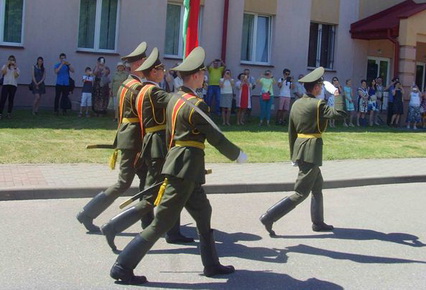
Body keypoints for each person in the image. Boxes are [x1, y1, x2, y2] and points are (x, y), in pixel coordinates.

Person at [110, 46, 248, 285]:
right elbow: (215, 136)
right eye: (202, 74)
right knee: (161, 221)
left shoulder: (175, 99)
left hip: (186, 169)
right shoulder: (195, 104)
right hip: (184, 170)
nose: (204, 77)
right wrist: (237, 155)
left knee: (203, 213)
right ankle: (122, 266)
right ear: (195, 76)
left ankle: (211, 264)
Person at [100, 47, 193, 252]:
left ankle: (167, 229)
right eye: (161, 68)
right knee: (157, 192)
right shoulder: (153, 91)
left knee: (160, 189)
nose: (164, 71)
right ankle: (114, 226)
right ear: (153, 72)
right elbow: (177, 103)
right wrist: (188, 90)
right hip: (157, 146)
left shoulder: (142, 89)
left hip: (151, 144)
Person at [259, 66, 347, 237]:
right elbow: (340, 113)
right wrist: (337, 95)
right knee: (301, 192)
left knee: (317, 187)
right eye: (320, 86)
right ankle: (269, 217)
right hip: (311, 151)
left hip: (300, 148)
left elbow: (291, 132)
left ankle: (318, 222)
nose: (321, 89)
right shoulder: (318, 104)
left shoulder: (296, 103)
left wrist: (293, 154)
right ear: (315, 88)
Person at [76, 42, 149, 233]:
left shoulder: (127, 83)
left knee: (145, 177)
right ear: (137, 64)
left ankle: (148, 221)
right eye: (144, 61)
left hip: (130, 137)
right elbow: (141, 118)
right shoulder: (137, 87)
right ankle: (87, 213)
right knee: (123, 182)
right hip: (134, 140)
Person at [0, 55, 20, 119]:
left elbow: (16, 76)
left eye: (13, 60)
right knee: (3, 99)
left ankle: (9, 113)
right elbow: (3, 72)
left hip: (13, 85)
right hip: (5, 84)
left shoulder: (17, 68)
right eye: (10, 60)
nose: (12, 61)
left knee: (11, 100)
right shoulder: (4, 66)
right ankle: (0, 113)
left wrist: (15, 68)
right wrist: (7, 64)